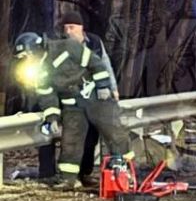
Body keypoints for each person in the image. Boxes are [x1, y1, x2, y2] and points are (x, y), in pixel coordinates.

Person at [45, 11, 134, 190]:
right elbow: (48, 88)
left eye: (72, 27)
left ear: (81, 28)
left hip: (97, 99)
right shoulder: (60, 47)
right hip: (75, 103)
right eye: (66, 28)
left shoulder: (93, 42)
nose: (69, 31)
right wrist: (53, 113)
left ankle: (124, 172)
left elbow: (102, 64)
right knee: (72, 141)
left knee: (112, 134)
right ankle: (70, 178)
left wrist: (109, 88)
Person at [13, 32, 62, 178]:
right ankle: (47, 172)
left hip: (65, 105)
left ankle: (70, 174)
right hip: (44, 107)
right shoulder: (32, 69)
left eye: (26, 56)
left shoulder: (53, 60)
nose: (25, 61)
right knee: (44, 136)